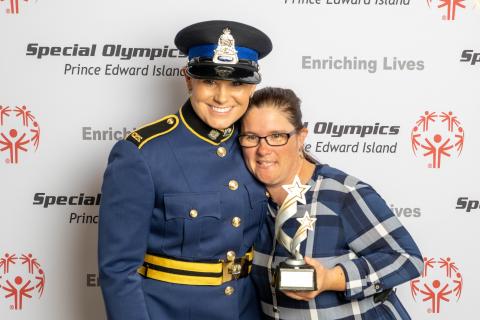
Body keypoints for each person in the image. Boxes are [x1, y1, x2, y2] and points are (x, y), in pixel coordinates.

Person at [98, 20, 272, 320]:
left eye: (237, 84)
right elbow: (117, 269)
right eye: (209, 81)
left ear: (253, 87)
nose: (222, 97)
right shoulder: (142, 153)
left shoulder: (260, 145)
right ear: (188, 79)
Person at [239, 87, 424, 319]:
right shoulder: (246, 203)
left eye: (277, 136)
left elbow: (407, 259)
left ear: (301, 137)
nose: (263, 149)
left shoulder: (342, 193)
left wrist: (330, 279)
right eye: (251, 137)